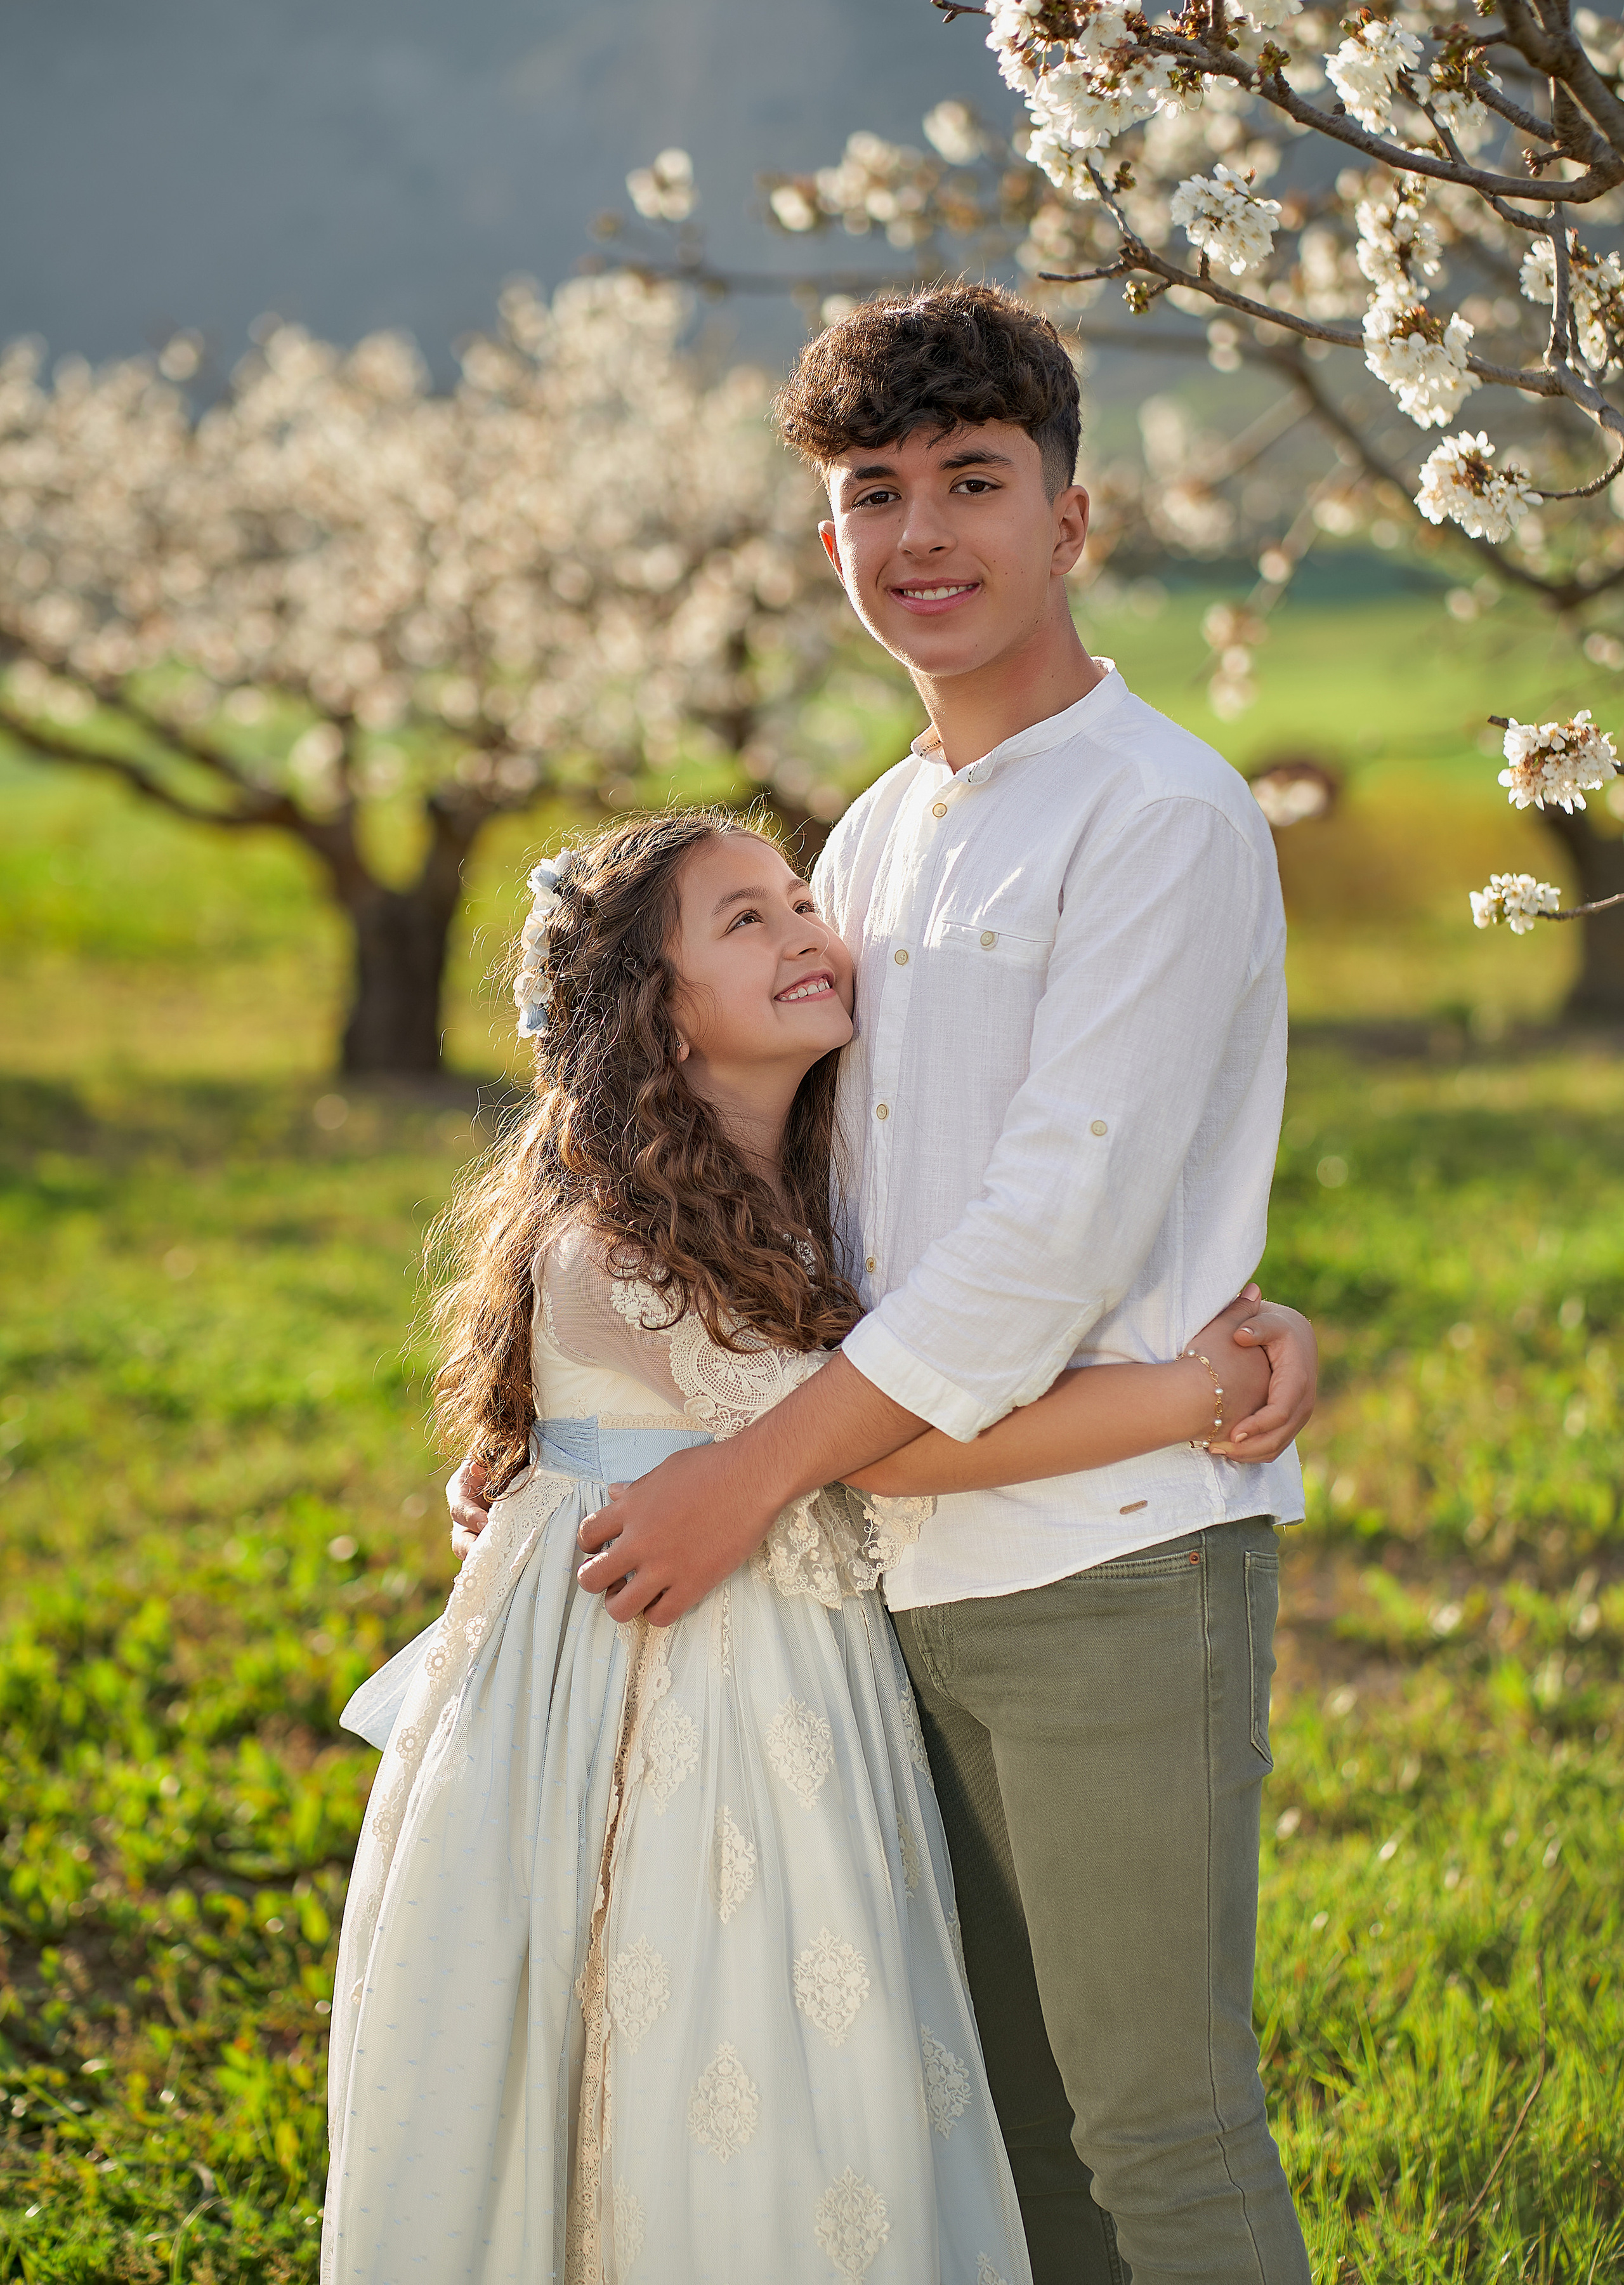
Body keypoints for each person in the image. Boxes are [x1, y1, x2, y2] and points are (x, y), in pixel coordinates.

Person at [516, 284, 1320, 2283]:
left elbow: (1049, 1230)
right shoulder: (870, 840)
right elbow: (774, 1194)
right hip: (882, 1576)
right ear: (831, 543)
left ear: (1073, 516)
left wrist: (750, 1475)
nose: (924, 535)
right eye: (878, 494)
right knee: (1002, 2122)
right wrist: (550, 1427)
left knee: (1161, 2123)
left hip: (1111, 1561)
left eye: (976, 480)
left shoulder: (1158, 813)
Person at [327, 807, 1314, 2284]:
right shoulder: (621, 1242)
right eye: (746, 921)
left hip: (787, 1677)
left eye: (800, 899)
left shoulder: (786, 1205)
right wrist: (1204, 1388)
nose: (807, 932)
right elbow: (887, 1430)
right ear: (656, 1021)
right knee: (706, 2055)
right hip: (675, 1713)